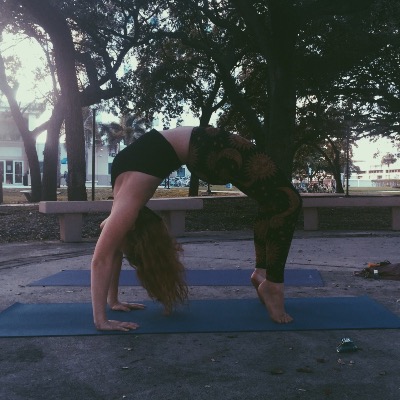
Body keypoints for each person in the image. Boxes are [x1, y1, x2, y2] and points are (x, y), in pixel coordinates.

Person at [91, 126, 302, 331]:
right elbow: (103, 258)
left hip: (204, 148)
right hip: (207, 147)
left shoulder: (125, 208)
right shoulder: (126, 202)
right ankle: (273, 284)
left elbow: (110, 251)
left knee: (274, 201)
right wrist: (102, 319)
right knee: (288, 200)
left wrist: (113, 301)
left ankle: (263, 274)